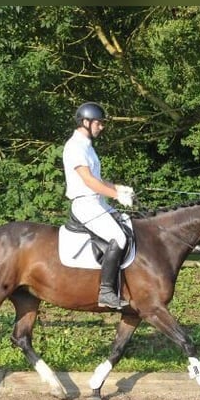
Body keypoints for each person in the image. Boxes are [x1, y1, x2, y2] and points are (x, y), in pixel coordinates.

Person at [62, 101, 135, 309]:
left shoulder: (87, 147)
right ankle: (105, 291)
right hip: (85, 205)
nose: (101, 127)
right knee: (118, 237)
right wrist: (116, 196)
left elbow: (99, 180)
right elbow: (88, 181)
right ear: (85, 122)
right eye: (98, 123)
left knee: (128, 224)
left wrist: (119, 188)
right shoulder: (74, 146)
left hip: (97, 202)